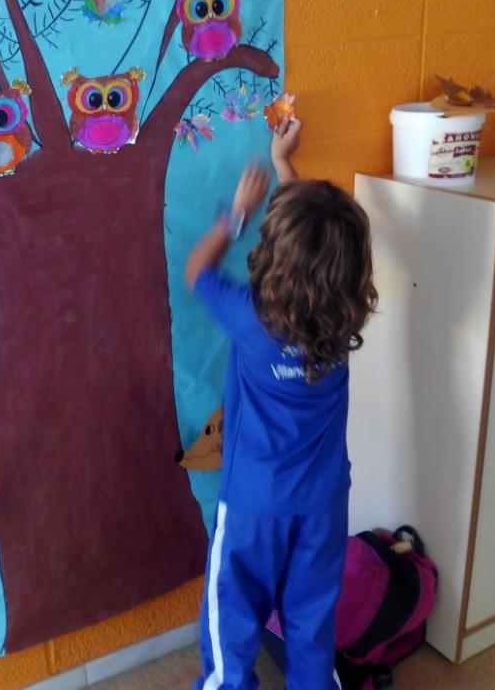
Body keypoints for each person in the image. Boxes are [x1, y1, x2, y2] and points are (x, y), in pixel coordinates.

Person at [185, 117, 378, 690]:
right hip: (322, 504)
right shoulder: (342, 321)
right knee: (311, 626)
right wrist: (283, 163)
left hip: (253, 506)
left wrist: (237, 214)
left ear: (275, 254)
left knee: (232, 622)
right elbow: (317, 251)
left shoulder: (251, 319)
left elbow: (197, 271)